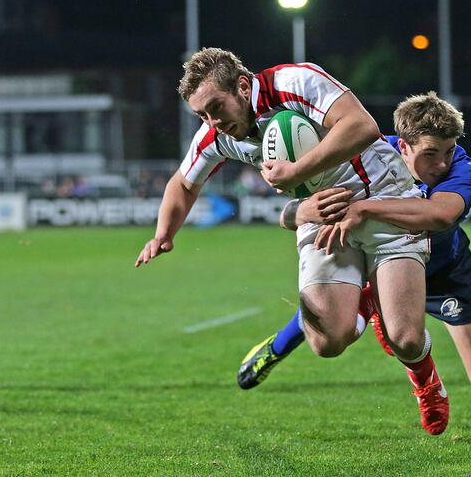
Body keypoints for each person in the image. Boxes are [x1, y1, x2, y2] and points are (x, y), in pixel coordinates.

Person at [134, 48, 448, 435]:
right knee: (327, 341)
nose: (212, 120)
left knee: (405, 338)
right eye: (202, 115)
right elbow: (183, 183)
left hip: (383, 196)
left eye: (216, 106)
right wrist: (163, 234)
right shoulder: (216, 134)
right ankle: (366, 300)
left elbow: (361, 126)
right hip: (321, 213)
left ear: (243, 86)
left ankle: (427, 383)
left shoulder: (294, 81)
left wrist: (297, 171)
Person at [238, 92, 471, 403]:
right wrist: (297, 210)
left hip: (444, 274)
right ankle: (274, 348)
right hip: (382, 266)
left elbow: (440, 215)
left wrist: (363, 208)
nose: (442, 164)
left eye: (449, 151)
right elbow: (296, 212)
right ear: (402, 147)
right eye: (431, 153)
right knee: (338, 317)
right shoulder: (365, 155)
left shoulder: (461, 167)